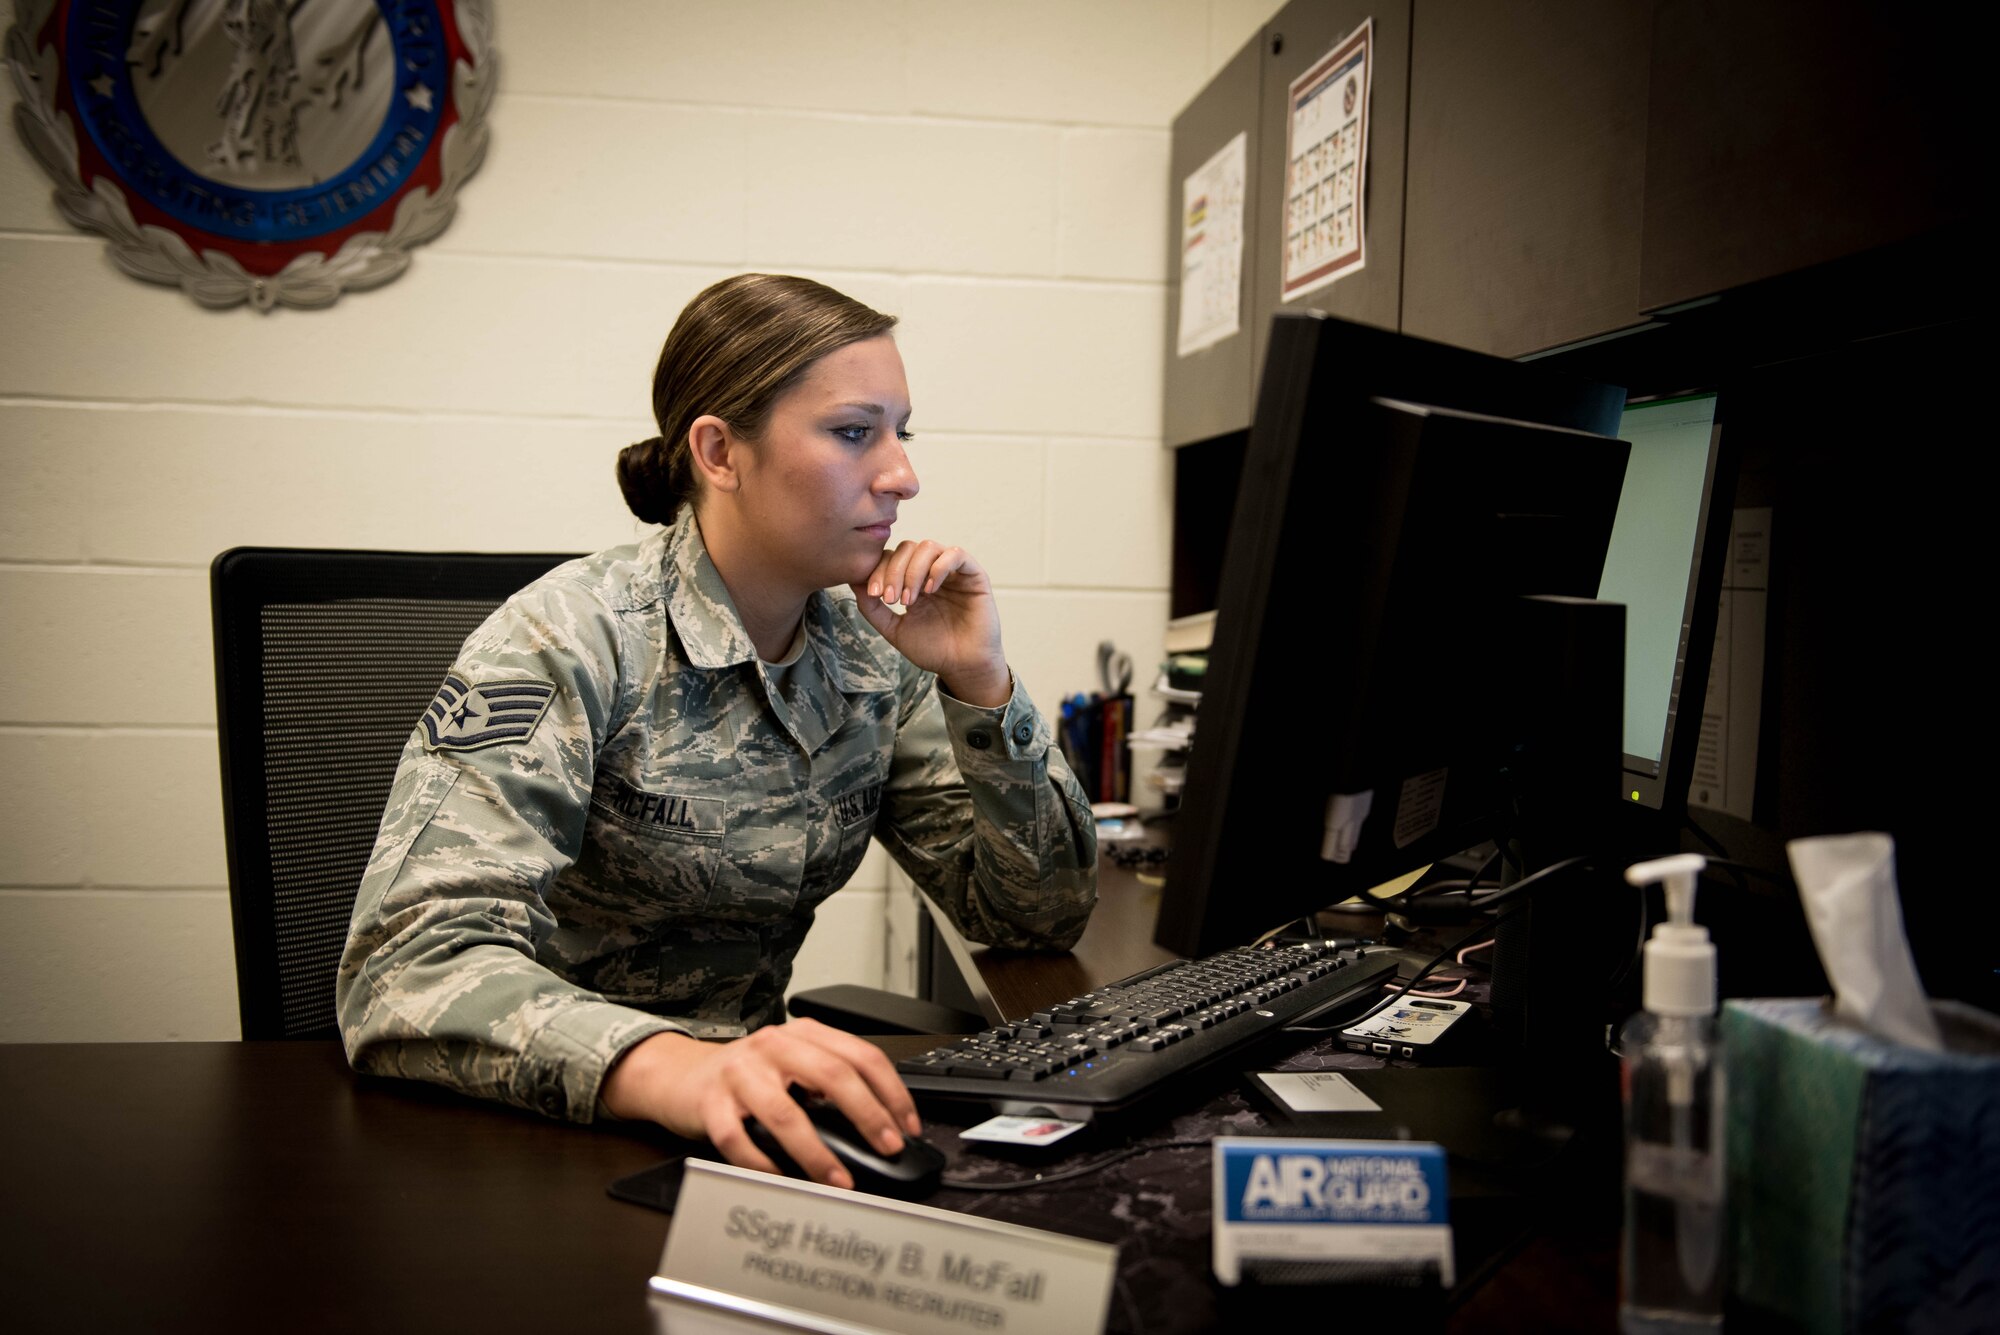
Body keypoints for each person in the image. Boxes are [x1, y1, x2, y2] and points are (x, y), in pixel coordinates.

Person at [337, 273, 1098, 1190]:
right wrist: (676, 1066)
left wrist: (981, 683)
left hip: (751, 1122)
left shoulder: (871, 649)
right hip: (535, 1126)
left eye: (902, 432)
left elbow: (1035, 916)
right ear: (718, 451)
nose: (903, 473)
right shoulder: (570, 636)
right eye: (856, 432)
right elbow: (407, 968)